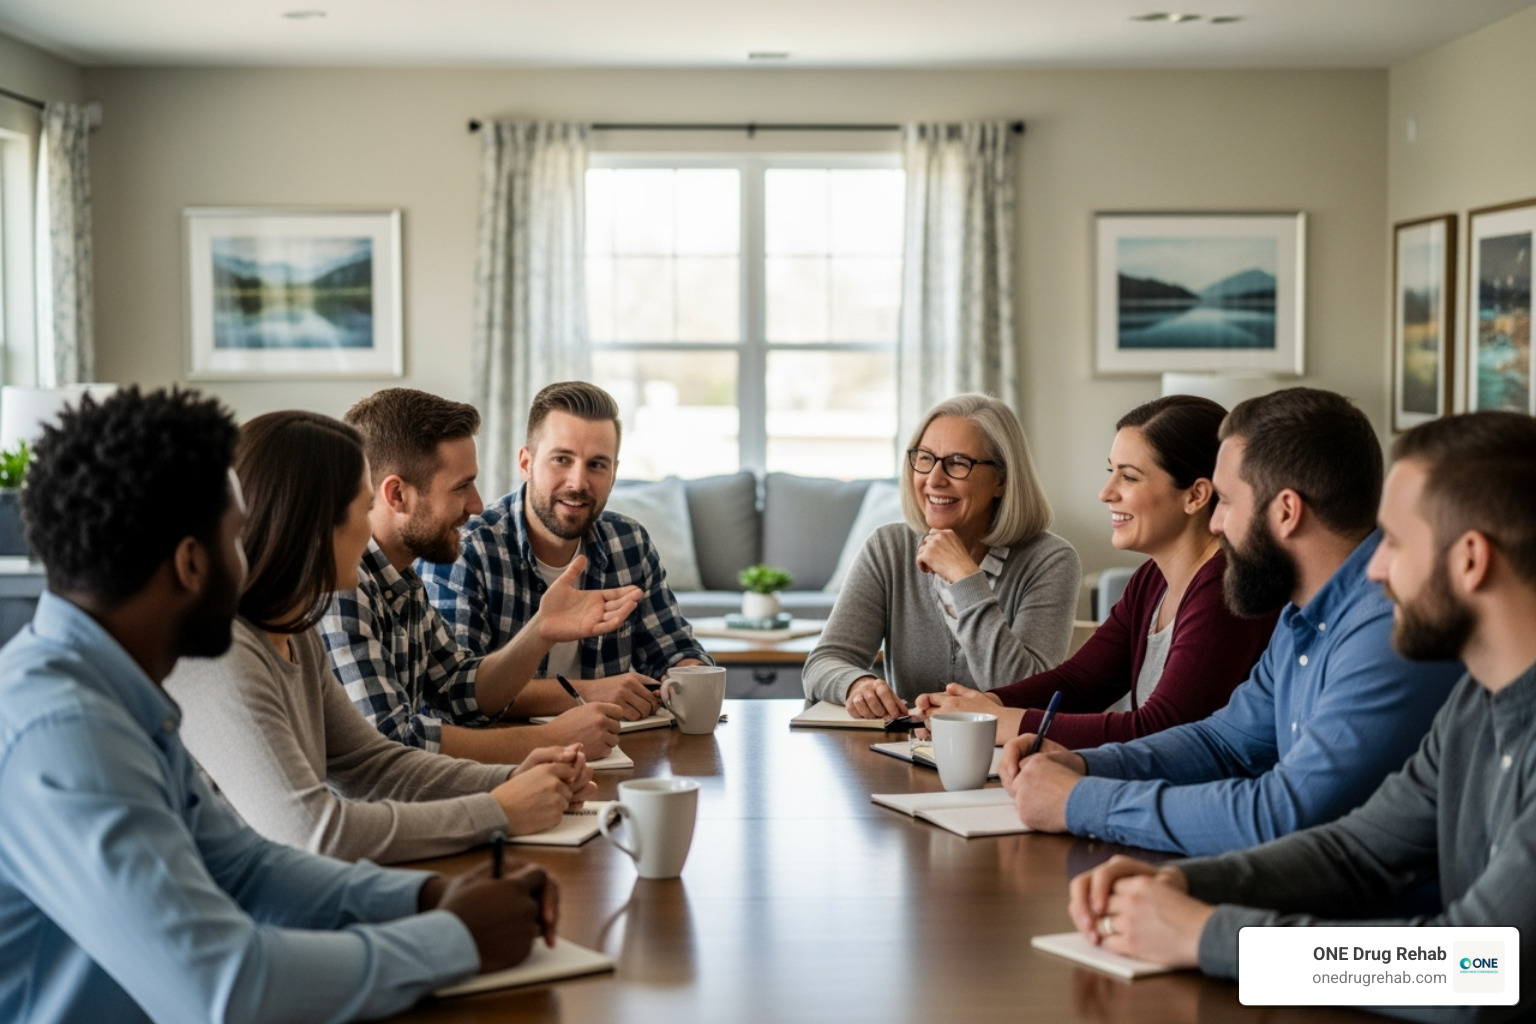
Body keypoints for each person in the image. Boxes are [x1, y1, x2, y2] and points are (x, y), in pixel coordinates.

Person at [0, 388, 555, 1024]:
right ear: (190, 564)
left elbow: (247, 868)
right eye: (239, 537)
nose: (254, 557)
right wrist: (454, 937)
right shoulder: (66, 733)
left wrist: (429, 897)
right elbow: (228, 986)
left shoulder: (115, 692)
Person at [1065, 411, 1536, 1023]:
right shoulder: (1477, 700)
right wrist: (1191, 887)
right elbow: (1358, 851)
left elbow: (1476, 970)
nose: (1373, 570)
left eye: (1393, 542)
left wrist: (1209, 935)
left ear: (1470, 560)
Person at [1000, 387, 1463, 856]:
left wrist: (1082, 800)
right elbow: (1223, 742)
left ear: (1286, 511)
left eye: (1224, 500)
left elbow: (1284, 813)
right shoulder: (1300, 612)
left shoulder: (1386, 630)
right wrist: (1084, 765)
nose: (1215, 523)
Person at [166, 410, 624, 864]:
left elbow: (373, 764)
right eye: (364, 509)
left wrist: (511, 778)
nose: (371, 529)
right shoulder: (221, 652)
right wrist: (499, 809)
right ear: (313, 525)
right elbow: (314, 832)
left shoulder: (295, 630)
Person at [912, 395, 1277, 747]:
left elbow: (1160, 731)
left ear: (1196, 496)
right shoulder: (1151, 580)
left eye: (1129, 477)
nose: (1105, 493)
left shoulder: (1226, 587)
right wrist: (983, 706)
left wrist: (1004, 722)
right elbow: (1080, 683)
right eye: (1111, 471)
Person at [323, 388, 638, 764]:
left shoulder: (401, 580)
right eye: (461, 487)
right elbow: (392, 740)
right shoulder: (341, 584)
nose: (476, 505)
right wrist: (549, 739)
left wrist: (541, 630)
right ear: (397, 495)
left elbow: (459, 689)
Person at [420, 381, 712, 710]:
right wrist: (587, 694)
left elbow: (674, 650)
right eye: (561, 459)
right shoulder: (466, 548)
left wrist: (689, 675)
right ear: (526, 463)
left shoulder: (629, 543)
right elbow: (456, 692)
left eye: (597, 465)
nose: (578, 483)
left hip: (616, 751)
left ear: (614, 474)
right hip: (508, 756)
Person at [803, 392, 1082, 717]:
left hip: (1004, 761)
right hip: (901, 754)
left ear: (1001, 480)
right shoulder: (888, 548)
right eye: (925, 458)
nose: (934, 479)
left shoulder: (1051, 561)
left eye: (958, 463)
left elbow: (1027, 693)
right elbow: (822, 663)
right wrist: (857, 684)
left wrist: (966, 579)